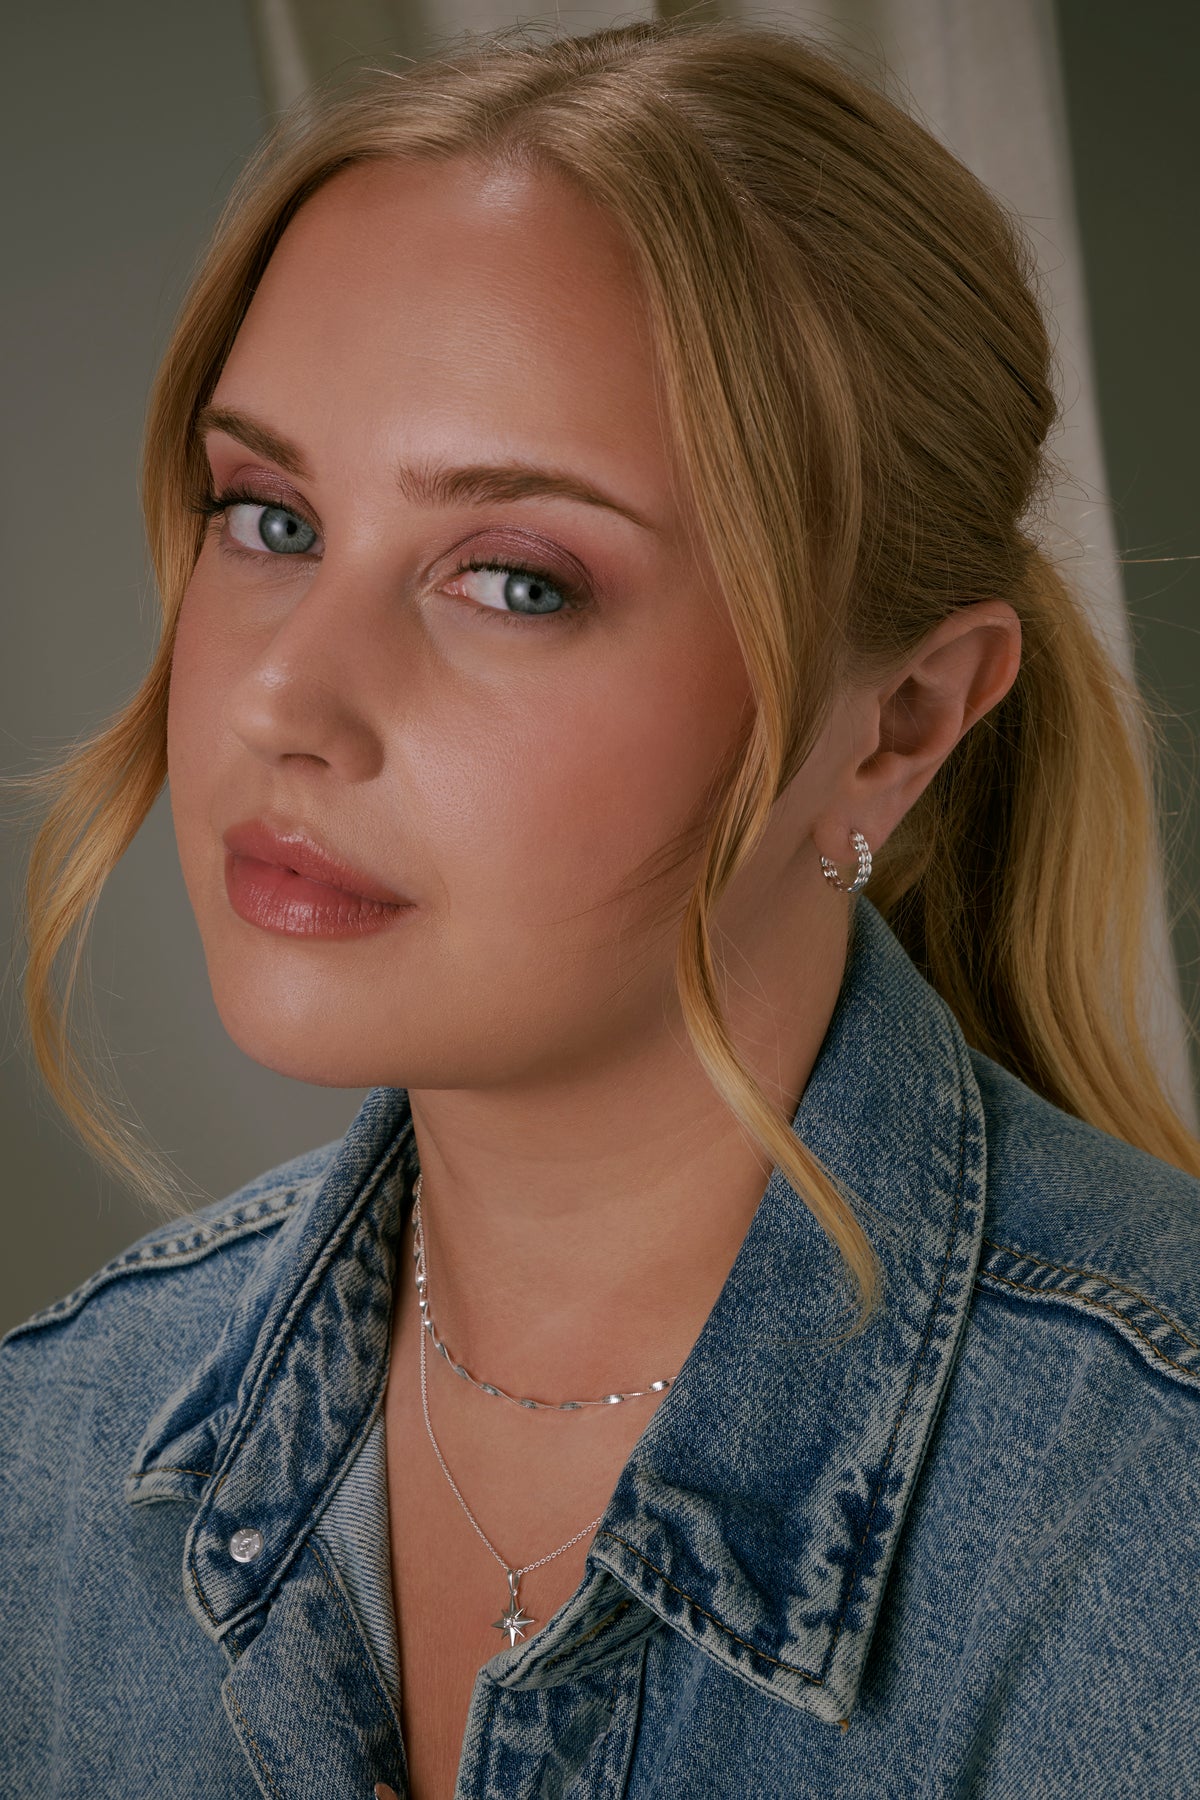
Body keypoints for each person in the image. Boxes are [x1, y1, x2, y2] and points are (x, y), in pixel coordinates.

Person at [2, 15, 1198, 1798]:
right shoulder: (63, 1448)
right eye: (267, 518)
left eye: (513, 578)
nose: (280, 706)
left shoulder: (1152, 1514)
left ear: (903, 722)